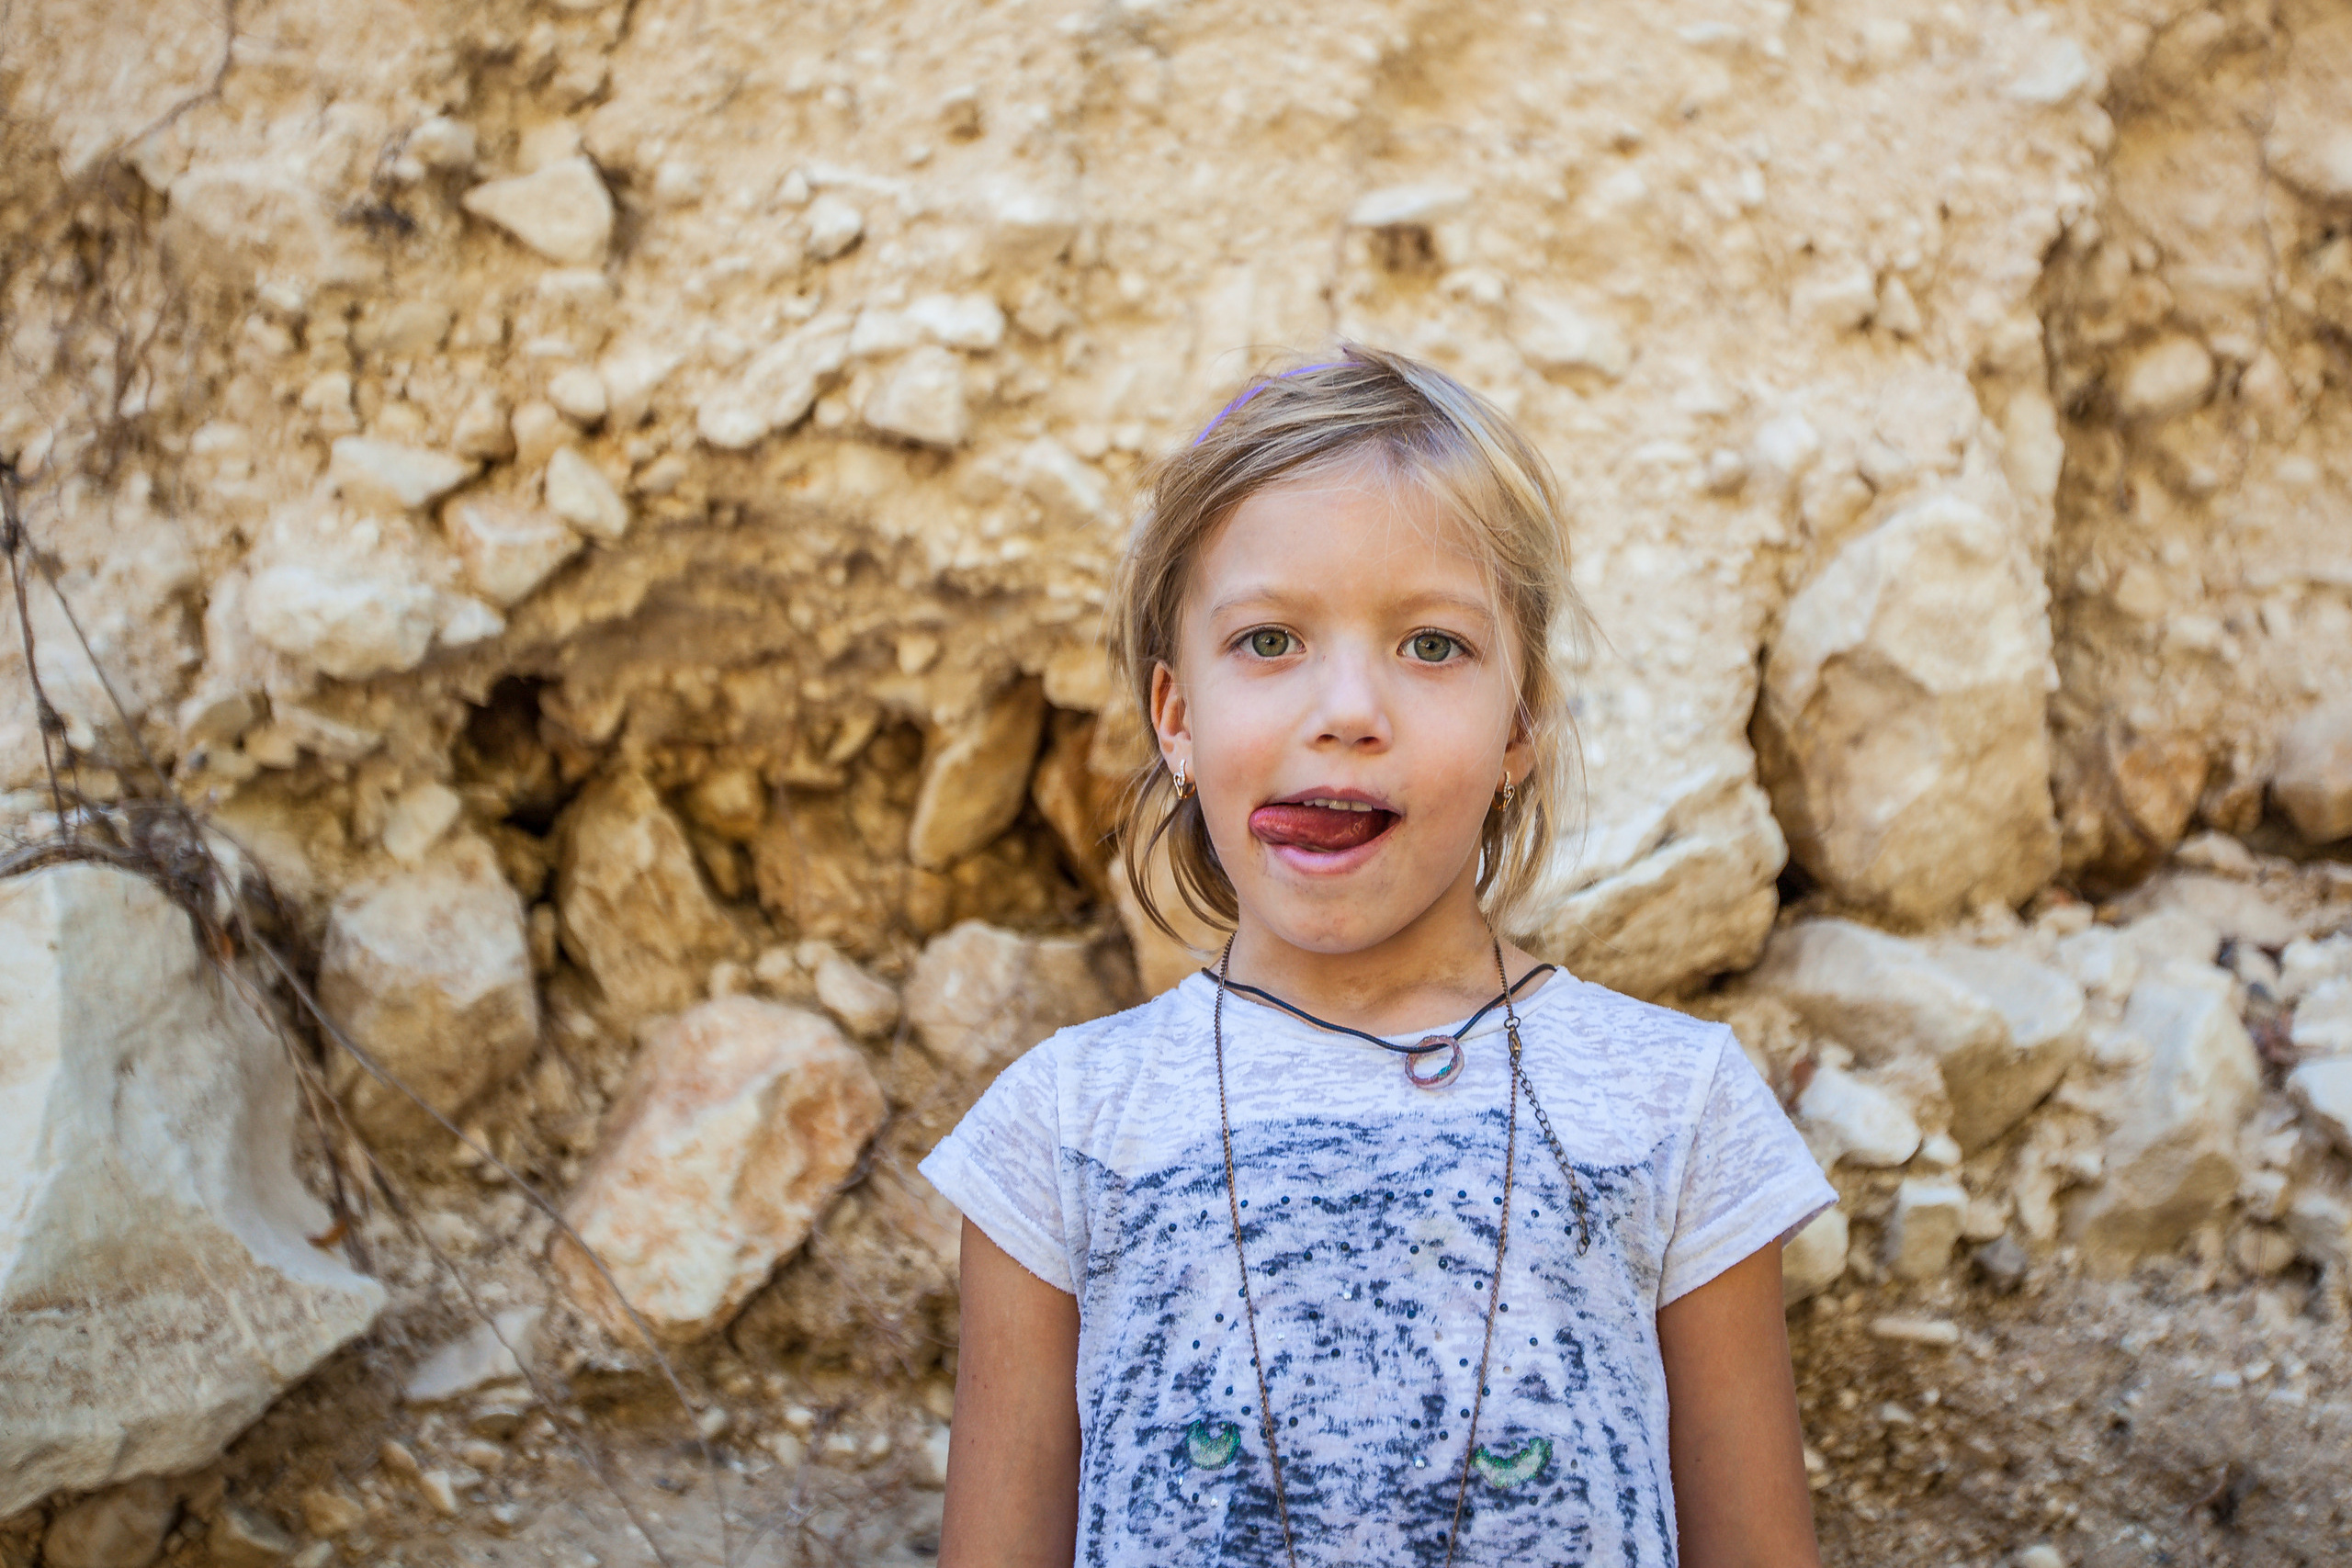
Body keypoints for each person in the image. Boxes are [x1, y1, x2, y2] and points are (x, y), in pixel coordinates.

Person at [919, 346, 1834, 1567]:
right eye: (1268, 641)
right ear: (1175, 717)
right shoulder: (1064, 1129)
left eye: (1432, 646)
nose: (1347, 710)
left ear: (1522, 723)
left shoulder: (1677, 1111)